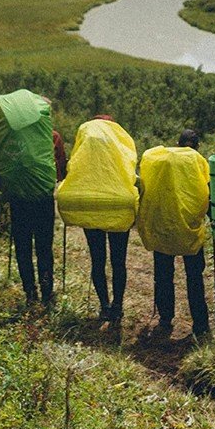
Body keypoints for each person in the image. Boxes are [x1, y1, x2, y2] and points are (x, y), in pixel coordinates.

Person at [8, 100, 68, 307]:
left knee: (22, 247)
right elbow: (61, 170)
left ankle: (29, 292)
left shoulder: (15, 136)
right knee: (44, 247)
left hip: (18, 199)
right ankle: (47, 293)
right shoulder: (53, 136)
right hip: (43, 199)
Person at [152, 128, 211, 340]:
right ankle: (201, 323)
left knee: (163, 275)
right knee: (194, 277)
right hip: (189, 228)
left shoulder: (163, 160)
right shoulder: (198, 161)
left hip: (164, 227)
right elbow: (206, 191)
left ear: (177, 144)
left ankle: (165, 318)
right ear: (196, 146)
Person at [82, 115, 133, 326]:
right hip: (118, 205)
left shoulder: (85, 150)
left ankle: (104, 306)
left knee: (98, 259)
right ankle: (118, 305)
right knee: (118, 260)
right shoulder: (120, 146)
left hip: (92, 205)